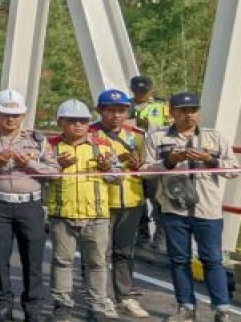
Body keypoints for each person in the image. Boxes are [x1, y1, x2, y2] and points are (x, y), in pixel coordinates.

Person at [143, 91, 240, 322]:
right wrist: (169, 161)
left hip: (208, 210)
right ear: (172, 112)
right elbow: (145, 172)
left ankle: (221, 309)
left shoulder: (214, 137)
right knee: (179, 259)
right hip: (174, 209)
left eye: (193, 110)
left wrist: (211, 160)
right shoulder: (157, 139)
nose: (189, 115)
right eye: (183, 111)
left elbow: (234, 170)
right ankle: (186, 307)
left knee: (213, 260)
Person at [0, 90, 56, 322]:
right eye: (5, 114)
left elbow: (54, 172)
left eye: (16, 114)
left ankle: (33, 309)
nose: (11, 119)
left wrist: (29, 164)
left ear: (23, 115)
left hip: (30, 207)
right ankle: (2, 308)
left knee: (33, 261)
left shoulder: (38, 140)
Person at [46, 99, 118, 322]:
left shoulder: (103, 147)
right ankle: (62, 304)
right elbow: (40, 177)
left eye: (83, 121)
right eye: (72, 121)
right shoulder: (50, 147)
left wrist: (107, 169)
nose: (78, 125)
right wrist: (59, 166)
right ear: (60, 122)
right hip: (62, 215)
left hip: (96, 215)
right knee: (62, 261)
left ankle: (97, 305)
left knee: (97, 263)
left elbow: (116, 178)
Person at [91, 89, 150, 319]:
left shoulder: (136, 135)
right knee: (98, 254)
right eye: (111, 110)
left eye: (121, 110)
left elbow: (146, 166)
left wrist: (138, 166)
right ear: (100, 110)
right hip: (102, 201)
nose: (117, 115)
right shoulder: (90, 134)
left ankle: (124, 297)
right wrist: (115, 162)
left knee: (124, 252)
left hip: (132, 200)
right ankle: (98, 298)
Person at [130, 76, 169, 249]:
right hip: (132, 159)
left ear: (150, 90)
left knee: (158, 200)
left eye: (143, 92)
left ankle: (159, 239)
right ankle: (142, 235)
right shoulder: (125, 106)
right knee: (136, 200)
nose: (140, 95)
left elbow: (170, 129)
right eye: (137, 92)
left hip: (153, 158)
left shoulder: (162, 107)